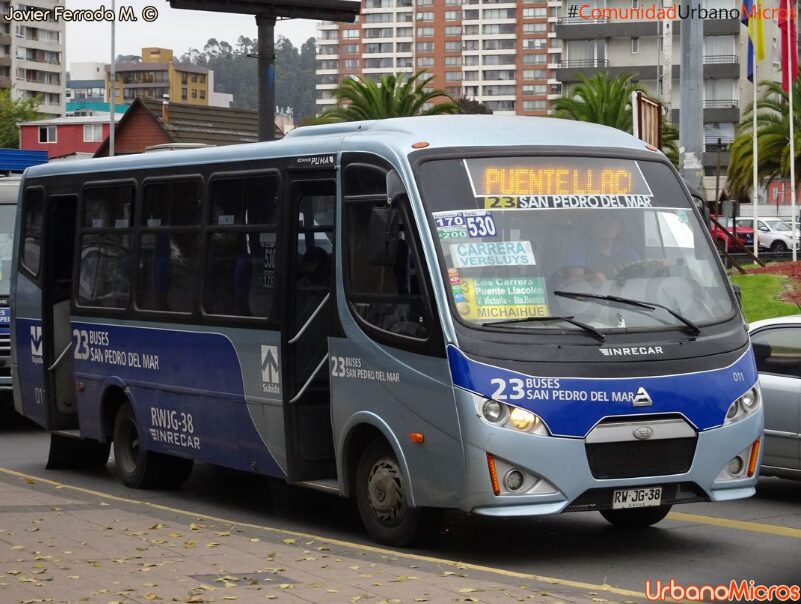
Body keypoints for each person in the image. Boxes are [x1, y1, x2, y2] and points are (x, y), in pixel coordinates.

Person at [564, 212, 639, 282]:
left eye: (611, 223)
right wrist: (591, 278)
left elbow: (640, 275)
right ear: (596, 227)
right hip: (593, 295)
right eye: (603, 222)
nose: (607, 226)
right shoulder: (581, 251)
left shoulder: (628, 252)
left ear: (619, 229)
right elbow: (573, 280)